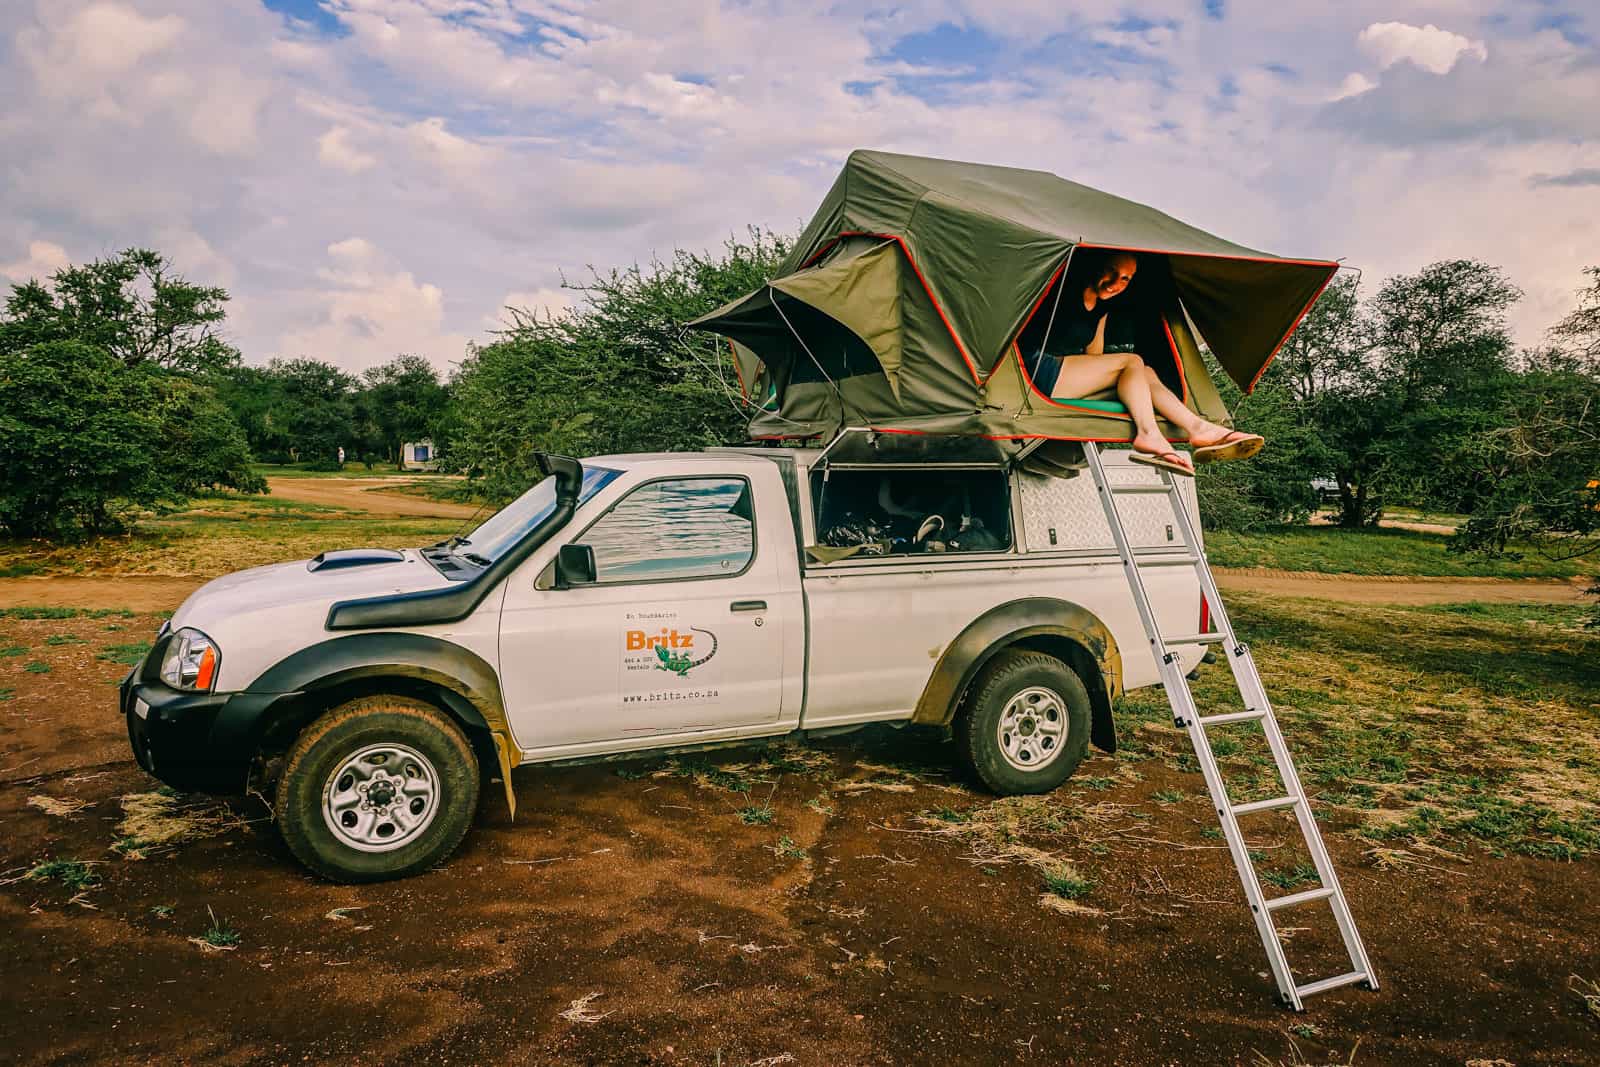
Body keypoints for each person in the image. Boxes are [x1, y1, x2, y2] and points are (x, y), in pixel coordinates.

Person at [1027, 250, 1263, 476]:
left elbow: (1095, 358)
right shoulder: (1063, 291)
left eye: (1125, 278)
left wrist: (1123, 380)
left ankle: (1200, 428)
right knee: (1132, 362)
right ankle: (1148, 433)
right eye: (1111, 271)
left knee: (1145, 372)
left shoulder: (1103, 307)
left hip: (1065, 376)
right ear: (1096, 266)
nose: (1115, 282)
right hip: (1034, 372)